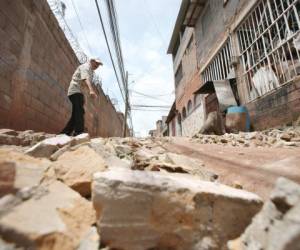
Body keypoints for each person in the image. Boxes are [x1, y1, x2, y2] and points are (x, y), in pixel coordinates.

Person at [61, 58, 103, 136]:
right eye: (96, 63)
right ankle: (79, 132)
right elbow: (85, 79)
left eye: (98, 65)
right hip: (75, 90)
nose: (97, 66)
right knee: (79, 111)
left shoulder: (90, 71)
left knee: (76, 113)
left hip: (79, 92)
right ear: (92, 61)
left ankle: (65, 133)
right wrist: (91, 90)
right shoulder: (86, 67)